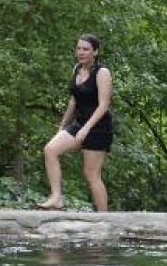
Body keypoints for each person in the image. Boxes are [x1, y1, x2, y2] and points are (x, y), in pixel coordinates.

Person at [38, 33, 113, 211]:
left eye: (85, 49)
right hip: (78, 123)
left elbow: (104, 105)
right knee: (50, 150)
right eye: (78, 48)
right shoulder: (76, 69)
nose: (81, 52)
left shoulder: (102, 72)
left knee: (91, 175)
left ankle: (105, 219)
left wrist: (87, 129)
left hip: (98, 127)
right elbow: (73, 101)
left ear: (95, 51)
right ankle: (56, 198)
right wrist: (62, 127)